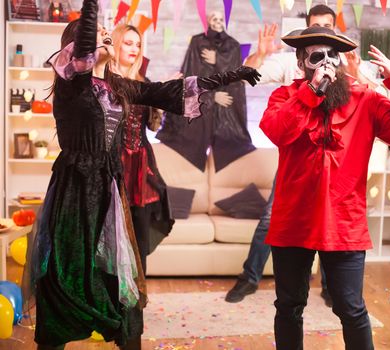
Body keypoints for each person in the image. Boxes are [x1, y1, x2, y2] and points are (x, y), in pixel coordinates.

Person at [21, 1, 260, 349]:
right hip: (74, 191)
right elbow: (87, 41)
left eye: (107, 36)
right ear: (78, 48)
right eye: (100, 36)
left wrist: (230, 75)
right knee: (65, 276)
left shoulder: (121, 87)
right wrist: (92, 7)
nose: (105, 39)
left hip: (109, 190)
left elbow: (170, 90)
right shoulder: (72, 82)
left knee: (120, 283)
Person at [260, 26, 390, 350]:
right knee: (289, 306)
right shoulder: (284, 98)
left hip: (344, 223)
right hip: (293, 222)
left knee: (351, 309)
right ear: (301, 63)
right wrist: (310, 94)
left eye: (332, 55)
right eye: (317, 56)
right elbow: (277, 131)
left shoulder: (364, 100)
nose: (327, 64)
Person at [225, 3, 382, 306]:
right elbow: (251, 75)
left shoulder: (347, 63)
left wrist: (356, 76)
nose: (324, 58)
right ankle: (250, 278)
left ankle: (331, 288)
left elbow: (379, 103)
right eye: (316, 28)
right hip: (296, 151)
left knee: (331, 221)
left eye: (328, 28)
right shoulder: (290, 66)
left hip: (335, 163)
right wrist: (260, 54)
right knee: (272, 219)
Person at [156, 10, 255, 172]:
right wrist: (211, 96)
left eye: (221, 19)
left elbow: (236, 79)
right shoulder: (197, 43)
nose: (218, 21)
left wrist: (218, 60)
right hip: (201, 113)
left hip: (225, 115)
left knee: (232, 146)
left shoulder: (233, 45)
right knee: (187, 139)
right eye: (215, 18)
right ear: (208, 21)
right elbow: (190, 77)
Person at [110, 24, 172, 274]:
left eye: (137, 44)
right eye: (128, 43)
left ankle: (136, 304)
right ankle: (112, 303)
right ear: (115, 45)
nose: (134, 49)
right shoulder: (105, 80)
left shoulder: (143, 82)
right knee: (113, 237)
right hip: (113, 164)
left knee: (139, 238)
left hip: (142, 167)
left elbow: (152, 126)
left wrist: (161, 99)